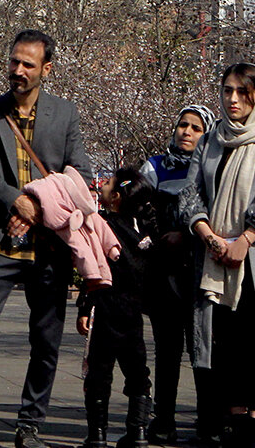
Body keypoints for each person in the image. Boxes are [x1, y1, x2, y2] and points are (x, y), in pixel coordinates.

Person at [0, 30, 93, 448]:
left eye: (28, 64)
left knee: (45, 339)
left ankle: (30, 424)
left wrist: (38, 209)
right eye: (14, 62)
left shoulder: (65, 115)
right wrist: (16, 201)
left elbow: (77, 173)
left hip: (48, 243)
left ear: (47, 69)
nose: (18, 71)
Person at [179, 63, 255, 448]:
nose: (233, 100)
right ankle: (230, 422)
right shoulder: (212, 140)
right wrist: (209, 235)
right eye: (227, 90)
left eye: (242, 93)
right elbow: (190, 194)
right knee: (222, 342)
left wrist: (245, 239)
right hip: (213, 256)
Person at [139, 105, 214, 443]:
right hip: (163, 272)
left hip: (200, 270)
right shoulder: (154, 167)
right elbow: (138, 204)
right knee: (167, 351)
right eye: (182, 124)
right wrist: (159, 234)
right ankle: (163, 420)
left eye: (196, 128)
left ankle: (208, 422)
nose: (186, 131)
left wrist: (186, 235)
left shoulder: (212, 170)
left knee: (204, 350)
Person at [77, 168, 158, 448]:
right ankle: (138, 432)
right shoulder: (147, 231)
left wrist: (84, 307)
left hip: (105, 306)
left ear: (117, 197)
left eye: (109, 182)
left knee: (99, 370)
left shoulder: (103, 223)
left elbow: (93, 267)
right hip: (132, 311)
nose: (103, 184)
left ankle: (97, 434)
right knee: (137, 371)